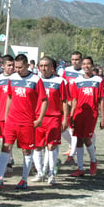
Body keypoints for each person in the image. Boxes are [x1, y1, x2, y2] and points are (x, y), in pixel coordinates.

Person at [0, 54, 48, 189]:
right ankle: (0, 177)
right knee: (6, 146)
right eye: (15, 67)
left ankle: (24, 179)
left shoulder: (35, 80)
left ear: (27, 65)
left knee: (26, 151)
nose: (17, 70)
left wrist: (39, 119)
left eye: (20, 67)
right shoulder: (13, 78)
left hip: (27, 121)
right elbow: (9, 97)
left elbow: (44, 100)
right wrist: (7, 114)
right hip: (11, 121)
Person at [31, 56, 68, 185]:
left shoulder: (59, 81)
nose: (43, 68)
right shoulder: (35, 80)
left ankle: (51, 174)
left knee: (51, 146)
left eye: (46, 66)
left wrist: (65, 119)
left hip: (54, 118)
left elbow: (64, 101)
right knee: (37, 147)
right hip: (38, 118)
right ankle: (40, 173)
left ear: (52, 68)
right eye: (41, 66)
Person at [69, 57, 104, 177]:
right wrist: (72, 114)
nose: (86, 66)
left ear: (93, 65)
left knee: (86, 138)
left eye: (88, 64)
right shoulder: (77, 80)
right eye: (84, 64)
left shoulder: (98, 80)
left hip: (91, 114)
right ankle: (80, 168)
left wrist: (103, 117)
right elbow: (74, 99)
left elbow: (101, 100)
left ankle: (93, 161)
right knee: (78, 140)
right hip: (79, 114)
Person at [0, 55, 15, 174]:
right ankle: (7, 162)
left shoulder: (18, 78)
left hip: (16, 115)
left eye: (13, 65)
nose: (12, 67)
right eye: (9, 65)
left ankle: (5, 163)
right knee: (5, 140)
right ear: (3, 66)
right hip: (2, 115)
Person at [61, 51, 84, 164]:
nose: (75, 62)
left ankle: (71, 155)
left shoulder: (85, 72)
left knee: (74, 129)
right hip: (67, 104)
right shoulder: (67, 71)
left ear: (81, 60)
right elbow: (63, 85)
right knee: (62, 128)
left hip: (78, 105)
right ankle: (72, 145)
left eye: (77, 59)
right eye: (73, 59)